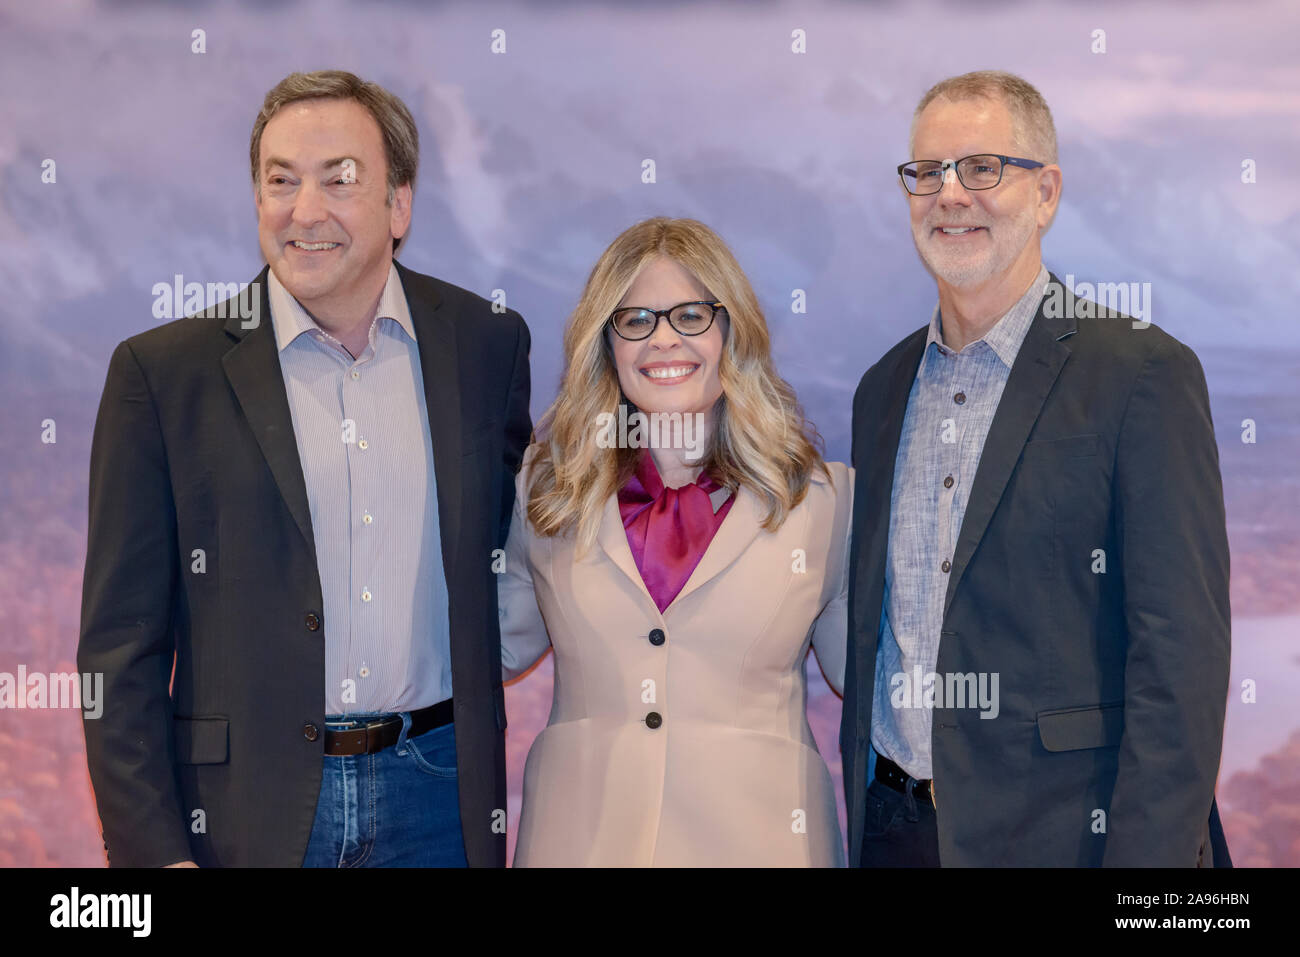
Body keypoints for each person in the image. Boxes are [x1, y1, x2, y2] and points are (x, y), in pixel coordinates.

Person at [77, 70, 531, 867]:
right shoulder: (164, 374)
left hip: (438, 797)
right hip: (246, 810)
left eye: (340, 179)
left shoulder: (486, 344)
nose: (304, 210)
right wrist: (156, 856)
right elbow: (119, 649)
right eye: (280, 180)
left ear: (400, 204)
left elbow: (512, 556)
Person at [842, 70, 1232, 867]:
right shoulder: (881, 390)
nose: (950, 194)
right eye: (926, 173)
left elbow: (1181, 662)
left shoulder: (1141, 374)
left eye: (983, 168)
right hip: (895, 835)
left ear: (1046, 192)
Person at [499, 217, 850, 866]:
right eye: (635, 320)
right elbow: (486, 649)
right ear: (606, 345)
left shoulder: (826, 502)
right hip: (581, 846)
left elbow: (875, 682)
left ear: (730, 329)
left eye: (690, 315)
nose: (663, 339)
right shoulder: (543, 492)